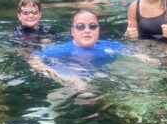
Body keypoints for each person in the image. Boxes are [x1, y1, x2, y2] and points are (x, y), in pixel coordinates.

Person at [30, 8, 159, 84]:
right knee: (80, 86)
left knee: (145, 75)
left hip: (100, 75)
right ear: (72, 32)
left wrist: (145, 58)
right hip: (73, 77)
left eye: (92, 26)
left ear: (98, 29)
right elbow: (34, 58)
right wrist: (60, 75)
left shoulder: (108, 46)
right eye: (80, 27)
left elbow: (129, 51)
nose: (87, 30)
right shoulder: (63, 49)